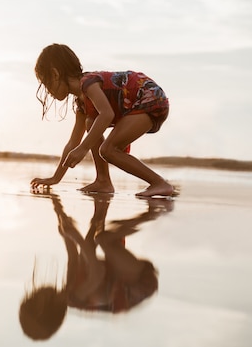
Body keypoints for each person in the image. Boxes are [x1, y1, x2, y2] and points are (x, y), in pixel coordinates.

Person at [19, 192, 172, 340]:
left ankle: (104, 209)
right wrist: (75, 235)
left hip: (121, 278)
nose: (35, 290)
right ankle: (153, 213)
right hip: (136, 285)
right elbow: (97, 271)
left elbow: (74, 254)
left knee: (95, 241)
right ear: (44, 305)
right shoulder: (76, 297)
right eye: (33, 297)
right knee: (103, 239)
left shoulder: (69, 290)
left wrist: (59, 212)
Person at [30, 43, 175, 198]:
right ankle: (103, 181)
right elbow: (73, 143)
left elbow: (107, 114)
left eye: (46, 84)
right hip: (137, 105)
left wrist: (84, 148)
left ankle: (159, 183)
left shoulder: (88, 83)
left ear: (55, 74)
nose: (48, 92)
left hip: (150, 98)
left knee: (108, 150)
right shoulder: (81, 103)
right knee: (90, 123)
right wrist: (55, 178)